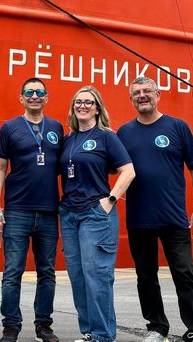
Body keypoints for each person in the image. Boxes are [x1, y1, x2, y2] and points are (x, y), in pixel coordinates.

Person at [117, 77, 193, 342]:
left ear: (158, 95)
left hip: (173, 218)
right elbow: (113, 167)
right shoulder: (124, 132)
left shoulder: (177, 127)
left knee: (185, 274)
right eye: (137, 93)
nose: (142, 96)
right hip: (138, 218)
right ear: (131, 98)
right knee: (145, 277)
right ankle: (156, 327)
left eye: (147, 91)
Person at [59, 85, 135, 342]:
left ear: (97, 107)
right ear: (73, 108)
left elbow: (128, 170)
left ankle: (103, 335)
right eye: (78, 102)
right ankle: (89, 331)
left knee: (97, 275)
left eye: (88, 102)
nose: (82, 105)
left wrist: (111, 200)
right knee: (78, 276)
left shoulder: (106, 136)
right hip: (69, 214)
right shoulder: (68, 139)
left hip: (95, 214)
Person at [0, 78, 64, 342]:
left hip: (48, 211)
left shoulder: (56, 128)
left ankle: (43, 325)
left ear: (47, 97)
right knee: (13, 271)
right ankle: (11, 326)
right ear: (21, 98)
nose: (34, 96)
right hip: (17, 210)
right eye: (29, 92)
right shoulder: (9, 128)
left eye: (39, 92)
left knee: (47, 271)